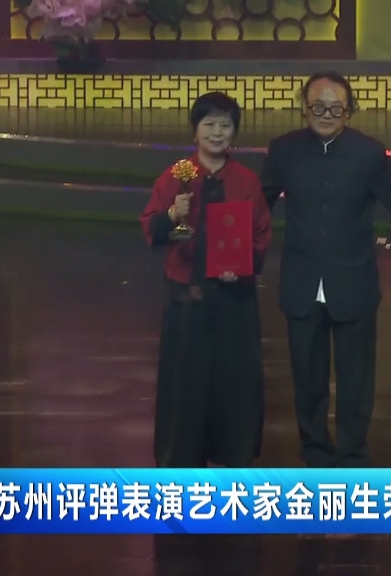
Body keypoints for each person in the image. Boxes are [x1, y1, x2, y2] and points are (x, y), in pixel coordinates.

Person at [262, 71, 391, 468]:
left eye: (336, 108)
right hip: (301, 283)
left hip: (354, 282)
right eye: (318, 107)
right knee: (307, 380)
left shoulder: (369, 153)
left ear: (349, 111)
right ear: (304, 108)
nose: (326, 115)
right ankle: (314, 452)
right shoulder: (283, 150)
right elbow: (256, 208)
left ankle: (352, 456)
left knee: (356, 381)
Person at [139, 92, 272, 468]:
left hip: (234, 305)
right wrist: (171, 213)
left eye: (225, 125)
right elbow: (150, 225)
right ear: (195, 131)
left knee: (235, 388)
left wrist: (243, 267)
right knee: (185, 390)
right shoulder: (176, 176)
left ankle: (234, 460)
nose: (216, 132)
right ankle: (181, 466)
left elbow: (261, 233)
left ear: (234, 132)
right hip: (187, 304)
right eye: (208, 124)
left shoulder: (246, 181)